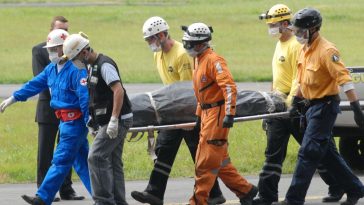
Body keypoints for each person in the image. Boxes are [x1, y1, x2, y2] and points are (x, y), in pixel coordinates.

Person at [273, 8, 364, 205]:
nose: (297, 35)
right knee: (327, 153)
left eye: (300, 31)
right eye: (296, 31)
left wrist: (356, 108)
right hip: (309, 107)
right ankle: (356, 189)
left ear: (314, 29)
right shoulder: (304, 50)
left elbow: (345, 80)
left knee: (307, 153)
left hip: (325, 107)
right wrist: (295, 104)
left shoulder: (327, 50)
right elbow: (302, 79)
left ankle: (293, 199)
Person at [254, 4, 343, 205]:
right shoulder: (279, 43)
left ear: (286, 24)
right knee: (273, 152)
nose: (271, 28)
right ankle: (267, 195)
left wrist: (291, 104)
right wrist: (271, 101)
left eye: (273, 24)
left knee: (316, 150)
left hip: (296, 106)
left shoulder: (297, 45)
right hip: (278, 105)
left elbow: (299, 78)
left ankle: (337, 185)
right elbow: (278, 77)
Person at [131, 16, 225, 205]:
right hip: (171, 110)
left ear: (163, 35)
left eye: (151, 39)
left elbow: (189, 89)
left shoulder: (182, 54)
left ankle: (214, 194)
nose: (150, 43)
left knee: (198, 154)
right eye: (148, 40)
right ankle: (154, 193)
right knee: (164, 150)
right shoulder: (157, 54)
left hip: (188, 111)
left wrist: (192, 118)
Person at [0, 30, 92, 205]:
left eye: (53, 49)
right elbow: (34, 85)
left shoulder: (76, 69)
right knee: (82, 164)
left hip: (75, 123)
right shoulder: (51, 69)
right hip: (65, 122)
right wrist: (14, 97)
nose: (50, 53)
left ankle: (42, 197)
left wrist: (89, 121)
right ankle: (103, 198)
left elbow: (84, 98)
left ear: (63, 48)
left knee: (60, 160)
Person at [181, 22, 258, 205]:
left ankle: (198, 200)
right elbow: (202, 93)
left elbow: (229, 87)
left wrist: (229, 113)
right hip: (208, 114)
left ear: (201, 44)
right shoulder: (198, 59)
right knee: (220, 160)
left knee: (205, 161)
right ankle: (246, 190)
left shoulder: (214, 61)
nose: (186, 47)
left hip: (218, 114)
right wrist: (199, 115)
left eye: (189, 44)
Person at [75, 34, 133, 205]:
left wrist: (114, 119)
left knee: (96, 157)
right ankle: (118, 202)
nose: (74, 62)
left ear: (85, 52)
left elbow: (118, 90)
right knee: (113, 161)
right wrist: (93, 121)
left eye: (75, 58)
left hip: (117, 119)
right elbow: (96, 96)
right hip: (107, 120)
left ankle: (103, 201)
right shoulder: (91, 66)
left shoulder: (104, 65)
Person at [32, 15, 84, 201]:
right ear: (51, 31)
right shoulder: (39, 51)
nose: (65, 33)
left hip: (69, 110)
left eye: (67, 30)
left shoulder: (72, 51)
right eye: (61, 29)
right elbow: (41, 79)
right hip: (49, 107)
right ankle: (44, 189)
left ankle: (66, 189)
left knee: (67, 150)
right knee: (45, 151)